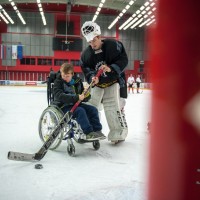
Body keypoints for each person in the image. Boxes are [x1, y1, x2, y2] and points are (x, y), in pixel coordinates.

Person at [80, 21, 128, 142]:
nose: (92, 44)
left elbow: (123, 59)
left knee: (111, 106)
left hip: (114, 82)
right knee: (91, 105)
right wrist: (92, 77)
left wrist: (111, 68)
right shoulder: (86, 55)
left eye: (94, 41)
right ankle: (90, 130)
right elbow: (86, 69)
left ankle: (117, 132)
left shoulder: (113, 45)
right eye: (89, 42)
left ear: (99, 37)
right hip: (98, 84)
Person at [53, 63, 105, 141]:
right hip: (63, 107)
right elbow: (59, 96)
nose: (65, 78)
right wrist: (77, 97)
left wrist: (86, 94)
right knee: (80, 111)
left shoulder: (77, 81)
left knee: (93, 109)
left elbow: (83, 98)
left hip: (76, 105)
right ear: (61, 72)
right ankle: (88, 133)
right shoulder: (58, 82)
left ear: (72, 74)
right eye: (63, 75)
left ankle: (97, 131)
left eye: (67, 76)